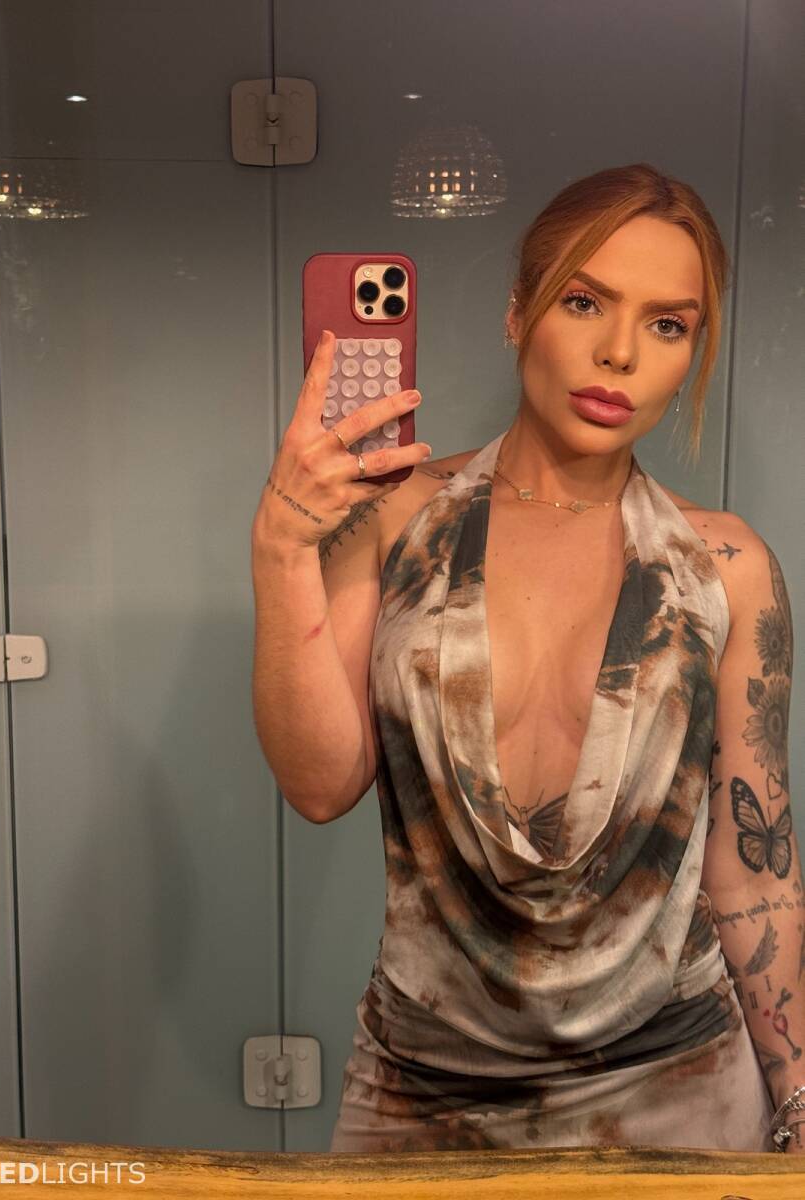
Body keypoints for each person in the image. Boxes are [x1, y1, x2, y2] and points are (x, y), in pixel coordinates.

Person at [250, 162, 802, 1153]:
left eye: (667, 324)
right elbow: (320, 784)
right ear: (518, 313)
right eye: (585, 302)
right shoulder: (395, 517)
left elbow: (754, 869)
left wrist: (799, 1098)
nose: (620, 352)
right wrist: (283, 548)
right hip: (424, 1092)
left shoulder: (728, 566)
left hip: (680, 1089)